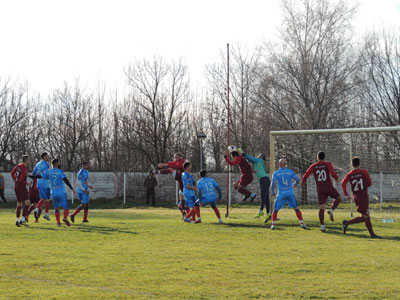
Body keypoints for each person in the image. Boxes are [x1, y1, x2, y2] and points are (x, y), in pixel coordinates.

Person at [301, 151, 342, 232]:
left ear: (317, 157)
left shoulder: (313, 166)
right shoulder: (328, 164)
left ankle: (322, 226)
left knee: (321, 208)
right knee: (338, 198)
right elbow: (333, 174)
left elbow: (305, 175)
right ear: (324, 157)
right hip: (329, 187)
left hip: (320, 189)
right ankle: (331, 210)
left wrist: (303, 181)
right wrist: (336, 178)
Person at [341, 157, 378, 238]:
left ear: (351, 164)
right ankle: (346, 223)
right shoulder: (363, 172)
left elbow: (343, 183)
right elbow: (370, 183)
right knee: (365, 216)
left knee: (366, 215)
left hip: (356, 197)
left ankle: (372, 234)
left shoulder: (349, 174)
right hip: (363, 196)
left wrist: (346, 194)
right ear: (359, 163)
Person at [33, 159, 76, 227]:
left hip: (54, 193)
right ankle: (65, 218)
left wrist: (31, 176)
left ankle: (58, 223)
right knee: (66, 208)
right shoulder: (60, 172)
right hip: (62, 192)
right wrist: (72, 188)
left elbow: (40, 176)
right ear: (57, 163)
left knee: (56, 208)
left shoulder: (49, 171)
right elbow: (65, 180)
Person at [270, 158, 308, 230]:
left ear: (279, 164)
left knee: (275, 210)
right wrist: (295, 184)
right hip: (290, 193)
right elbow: (298, 179)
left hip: (281, 193)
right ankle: (302, 223)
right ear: (286, 164)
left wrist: (272, 192)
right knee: (296, 208)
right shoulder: (290, 172)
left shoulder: (276, 173)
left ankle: (273, 224)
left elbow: (272, 184)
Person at [155, 153, 188, 218]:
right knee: (180, 203)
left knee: (171, 170)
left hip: (183, 179)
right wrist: (163, 164)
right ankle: (184, 214)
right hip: (180, 181)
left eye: (177, 157)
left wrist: (163, 164)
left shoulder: (181, 161)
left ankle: (189, 215)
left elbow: (177, 166)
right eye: (175, 157)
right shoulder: (176, 162)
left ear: (180, 157)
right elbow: (172, 164)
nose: (176, 158)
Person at [243, 152, 271, 221]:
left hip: (264, 180)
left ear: (261, 157)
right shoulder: (259, 163)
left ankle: (261, 211)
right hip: (265, 180)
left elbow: (251, 158)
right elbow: (251, 160)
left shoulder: (259, 160)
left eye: (259, 155)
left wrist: (244, 154)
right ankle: (268, 214)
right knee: (266, 197)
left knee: (263, 196)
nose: (258, 155)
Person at [10, 155, 31, 226]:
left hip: (16, 186)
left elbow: (12, 173)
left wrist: (15, 180)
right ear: (26, 160)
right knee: (28, 202)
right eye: (28, 159)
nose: (29, 161)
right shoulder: (24, 168)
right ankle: (22, 219)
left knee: (19, 203)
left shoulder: (18, 166)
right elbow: (21, 179)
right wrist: (27, 183)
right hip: (22, 187)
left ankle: (17, 220)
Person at [33, 152, 51, 222]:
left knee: (43, 199)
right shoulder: (46, 165)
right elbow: (47, 174)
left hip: (39, 183)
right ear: (44, 157)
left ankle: (37, 209)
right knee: (47, 199)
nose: (48, 157)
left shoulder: (37, 164)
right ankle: (45, 213)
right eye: (47, 156)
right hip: (45, 184)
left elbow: (34, 173)